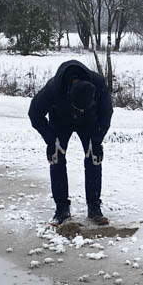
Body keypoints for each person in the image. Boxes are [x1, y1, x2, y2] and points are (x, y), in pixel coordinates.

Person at [28, 59, 113, 226]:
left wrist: (96, 139)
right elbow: (34, 114)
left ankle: (94, 207)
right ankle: (61, 209)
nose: (80, 111)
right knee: (56, 156)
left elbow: (106, 113)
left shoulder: (98, 83)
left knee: (94, 156)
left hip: (89, 122)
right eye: (78, 107)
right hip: (61, 121)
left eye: (84, 107)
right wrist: (51, 140)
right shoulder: (54, 89)